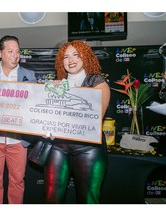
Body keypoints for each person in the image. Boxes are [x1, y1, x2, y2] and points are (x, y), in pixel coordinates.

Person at [44, 40, 110, 204]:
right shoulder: (57, 85)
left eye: (76, 54)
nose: (71, 60)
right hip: (58, 147)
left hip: (89, 149)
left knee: (88, 200)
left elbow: (93, 118)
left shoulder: (98, 82)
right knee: (51, 198)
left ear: (85, 56)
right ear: (61, 62)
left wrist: (65, 93)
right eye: (66, 57)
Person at [0, 35, 37, 204]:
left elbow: (34, 104)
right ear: (0, 53)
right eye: (10, 51)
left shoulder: (29, 75)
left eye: (17, 51)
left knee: (17, 181)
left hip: (18, 141)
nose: (15, 55)